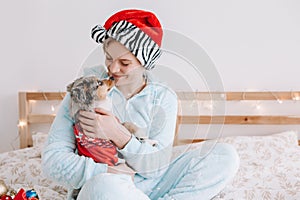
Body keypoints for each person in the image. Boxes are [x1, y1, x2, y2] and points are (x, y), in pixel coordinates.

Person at [42, 9, 239, 200]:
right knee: (105, 186)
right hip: (103, 184)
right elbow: (52, 162)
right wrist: (108, 170)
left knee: (224, 155)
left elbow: (158, 169)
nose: (112, 68)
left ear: (144, 62)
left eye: (124, 63)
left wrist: (117, 134)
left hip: (154, 187)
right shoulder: (85, 89)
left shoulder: (163, 96)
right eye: (108, 58)